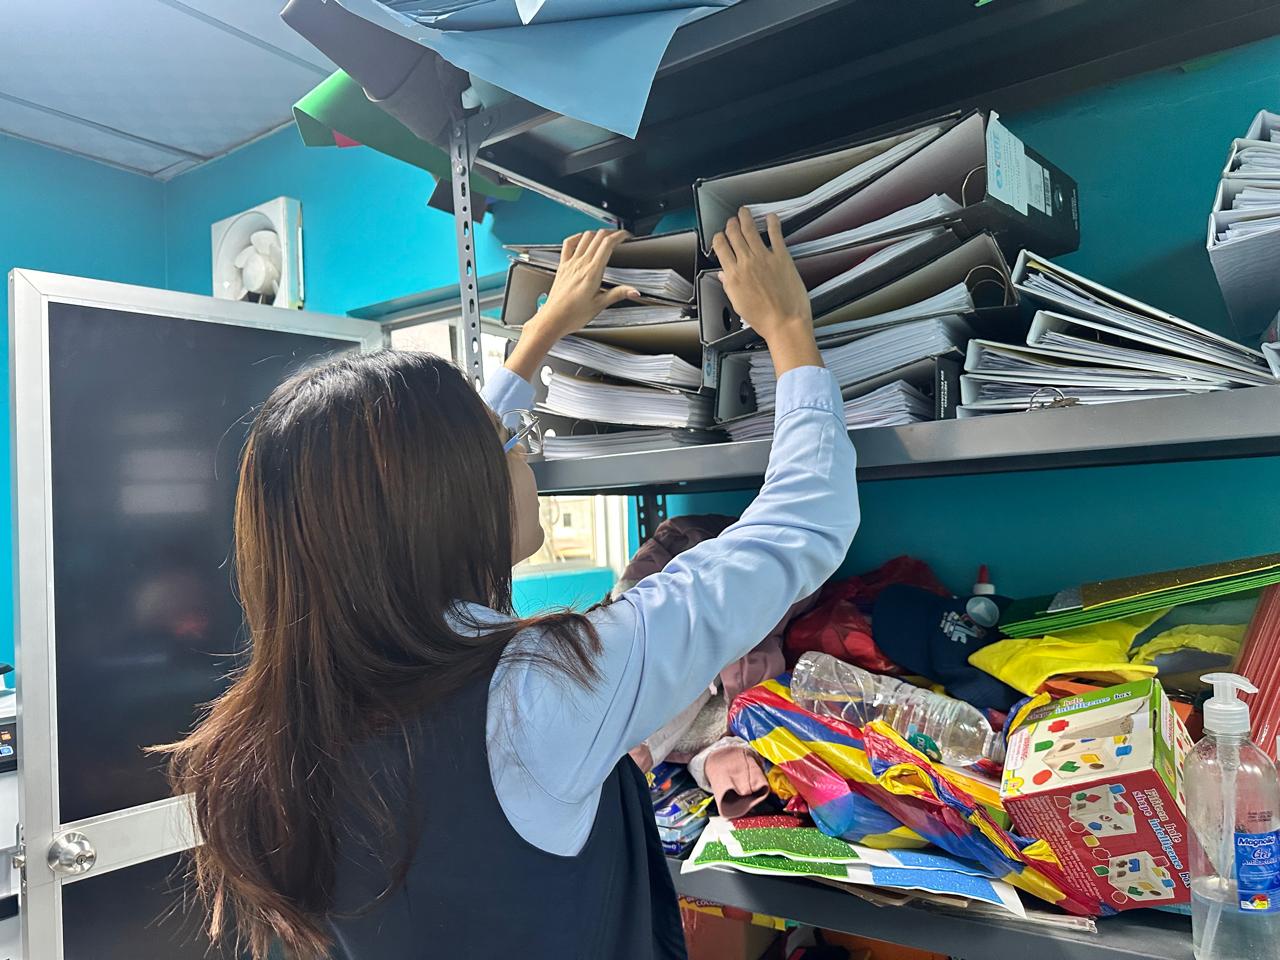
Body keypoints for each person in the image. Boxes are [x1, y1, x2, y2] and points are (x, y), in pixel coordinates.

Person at [158, 209, 859, 960]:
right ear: (453, 500)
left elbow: (395, 496)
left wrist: (542, 332)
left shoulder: (269, 730)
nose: (524, 458)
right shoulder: (539, 693)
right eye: (511, 447)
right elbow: (803, 522)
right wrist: (789, 328)